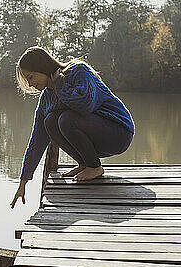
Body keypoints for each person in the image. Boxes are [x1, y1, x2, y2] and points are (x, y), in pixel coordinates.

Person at [10, 46, 135, 208]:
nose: (30, 84)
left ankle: (94, 167)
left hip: (119, 133)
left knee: (66, 119)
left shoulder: (78, 71)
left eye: (31, 77)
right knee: (50, 121)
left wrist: (60, 85)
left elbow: (85, 105)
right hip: (98, 136)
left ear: (42, 68)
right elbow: (37, 140)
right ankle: (84, 163)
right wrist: (23, 182)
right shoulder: (46, 98)